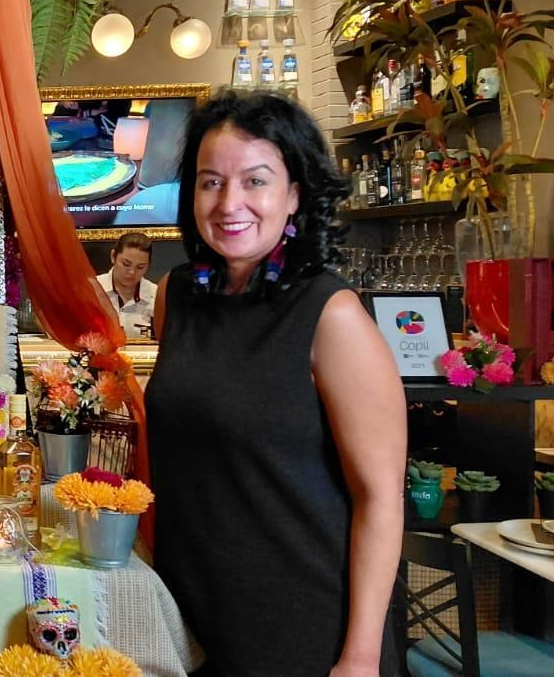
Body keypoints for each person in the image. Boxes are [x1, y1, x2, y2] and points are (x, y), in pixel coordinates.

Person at [145, 91, 406, 676]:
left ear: (294, 194)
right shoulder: (179, 297)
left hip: (303, 621)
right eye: (211, 182)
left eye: (255, 181)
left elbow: (381, 499)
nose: (229, 202)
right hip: (192, 608)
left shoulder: (331, 315)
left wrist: (360, 656)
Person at [95, 232, 156, 339]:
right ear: (113, 256)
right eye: (126, 264)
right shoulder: (92, 290)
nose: (132, 272)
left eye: (140, 267)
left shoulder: (156, 296)